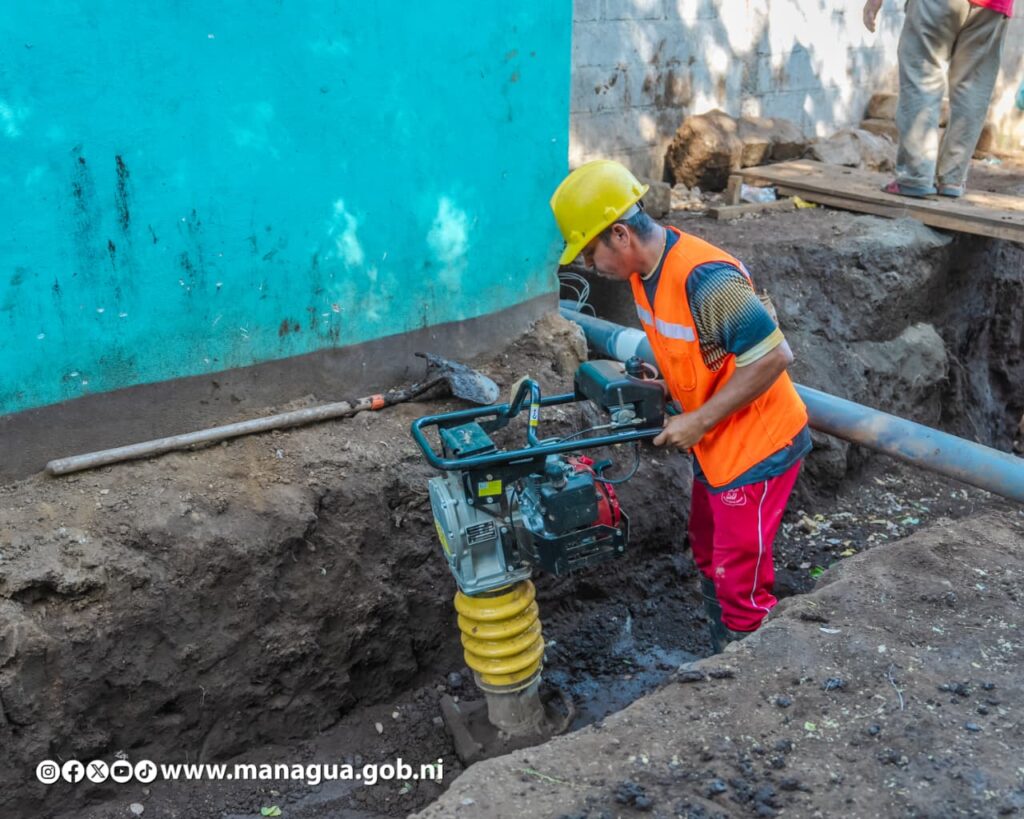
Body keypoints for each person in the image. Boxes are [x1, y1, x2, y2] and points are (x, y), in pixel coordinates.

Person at [550, 160, 811, 652]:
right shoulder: (643, 275)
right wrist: (668, 388)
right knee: (707, 546)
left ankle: (749, 666)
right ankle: (724, 647)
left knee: (739, 573)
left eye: (588, 252)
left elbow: (775, 355)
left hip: (758, 445)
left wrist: (697, 419)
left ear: (621, 234)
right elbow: (697, 352)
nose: (588, 267)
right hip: (716, 444)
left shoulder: (704, 278)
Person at [863, 0, 1013, 197]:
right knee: (973, 88)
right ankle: (952, 179)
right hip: (993, 7)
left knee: (922, 77)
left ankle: (915, 177)